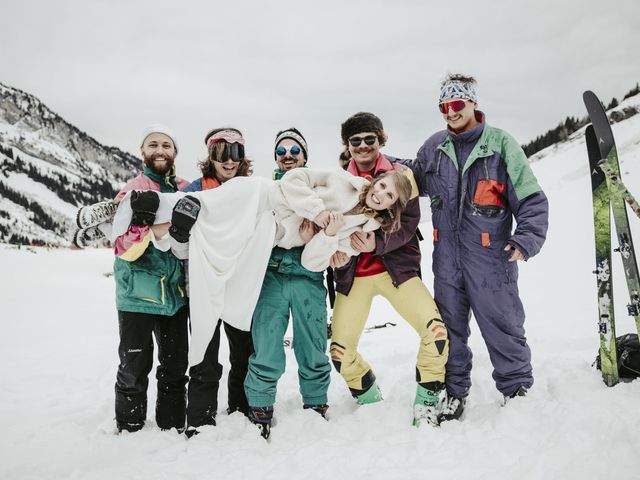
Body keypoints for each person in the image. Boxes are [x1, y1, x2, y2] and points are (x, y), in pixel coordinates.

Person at [405, 74, 549, 422]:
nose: (450, 112)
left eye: (456, 105)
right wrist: (379, 163)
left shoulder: (500, 145)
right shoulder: (434, 146)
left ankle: (516, 390)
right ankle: (454, 392)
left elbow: (530, 197)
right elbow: (413, 176)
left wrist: (526, 239)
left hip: (491, 260)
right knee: (449, 330)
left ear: (472, 102)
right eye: (444, 107)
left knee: (503, 325)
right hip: (447, 261)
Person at [329, 112, 449, 427]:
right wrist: (334, 255)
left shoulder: (401, 176)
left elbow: (408, 224)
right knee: (340, 353)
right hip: (353, 277)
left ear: (381, 138)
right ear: (348, 145)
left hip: (397, 271)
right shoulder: (338, 181)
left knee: (435, 333)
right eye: (356, 141)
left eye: (370, 139)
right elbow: (328, 229)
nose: (363, 146)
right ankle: (368, 398)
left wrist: (376, 244)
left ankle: (426, 400)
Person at [243, 128, 332, 438]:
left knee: (313, 343)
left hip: (309, 278)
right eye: (282, 151)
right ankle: (260, 404)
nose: (289, 156)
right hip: (272, 275)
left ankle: (317, 402)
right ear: (276, 158)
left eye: (295, 150)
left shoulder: (319, 192)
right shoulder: (266, 192)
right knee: (267, 344)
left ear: (305, 156)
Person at [112, 124, 191, 433]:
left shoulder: (187, 189)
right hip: (137, 295)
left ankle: (171, 425)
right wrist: (156, 228)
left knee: (174, 366)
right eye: (153, 144)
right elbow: (121, 246)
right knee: (134, 366)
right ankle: (130, 425)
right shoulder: (131, 189)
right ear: (142, 152)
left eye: (167, 145)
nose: (160, 150)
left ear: (175, 153)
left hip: (176, 295)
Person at [179, 128, 254, 436]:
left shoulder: (251, 190)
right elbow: (178, 241)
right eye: (221, 154)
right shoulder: (195, 190)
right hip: (203, 284)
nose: (228, 161)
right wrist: (181, 229)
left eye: (235, 154)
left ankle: (243, 408)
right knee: (204, 352)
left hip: (241, 282)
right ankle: (199, 417)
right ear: (210, 157)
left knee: (244, 352)